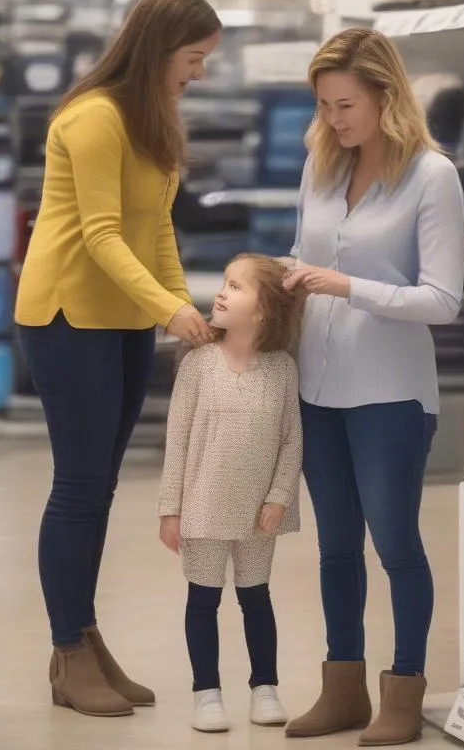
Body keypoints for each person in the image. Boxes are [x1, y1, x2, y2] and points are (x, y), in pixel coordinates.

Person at [15, 0, 219, 717]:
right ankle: (70, 651)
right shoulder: (95, 117)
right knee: (77, 485)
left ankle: (85, 639)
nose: (197, 74)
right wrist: (167, 307)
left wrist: (177, 305)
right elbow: (100, 234)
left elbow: (155, 227)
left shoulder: (153, 117)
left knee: (100, 486)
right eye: (192, 59)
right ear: (159, 48)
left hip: (125, 318)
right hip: (68, 314)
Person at [283, 27, 464, 747]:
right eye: (325, 105)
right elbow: (306, 253)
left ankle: (404, 689)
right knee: (334, 548)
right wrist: (281, 274)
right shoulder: (322, 167)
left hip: (390, 392)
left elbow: (442, 300)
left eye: (346, 104)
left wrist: (347, 285)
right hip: (317, 386)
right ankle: (342, 687)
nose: (334, 120)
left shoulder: (432, 176)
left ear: (387, 96)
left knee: (395, 544)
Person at [158, 254, 304, 734]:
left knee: (256, 598)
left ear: (264, 311)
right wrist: (171, 509)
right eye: (224, 282)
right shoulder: (198, 365)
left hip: (258, 513)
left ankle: (265, 688)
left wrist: (279, 496)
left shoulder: (281, 369)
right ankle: (207, 695)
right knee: (202, 601)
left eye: (236, 286)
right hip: (201, 508)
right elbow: (176, 440)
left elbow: (291, 439)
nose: (221, 292)